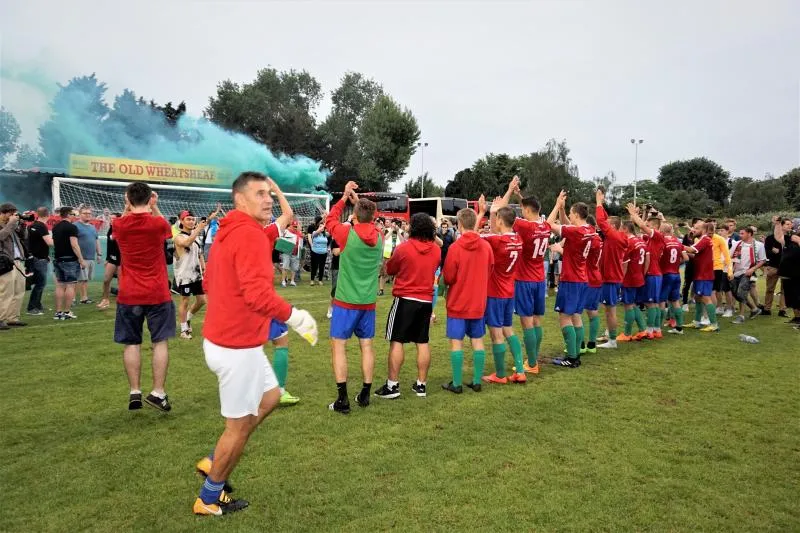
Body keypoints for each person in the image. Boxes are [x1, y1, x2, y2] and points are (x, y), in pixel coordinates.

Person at [193, 172, 317, 516]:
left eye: (270, 194)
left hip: (234, 341)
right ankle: (209, 497)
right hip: (236, 347)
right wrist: (296, 317)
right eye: (260, 194)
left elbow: (220, 280)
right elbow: (257, 294)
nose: (268, 200)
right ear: (239, 200)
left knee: (271, 397)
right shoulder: (246, 234)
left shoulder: (238, 230)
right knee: (238, 428)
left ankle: (213, 461)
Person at [112, 184, 176, 411]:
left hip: (129, 293)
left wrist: (128, 205)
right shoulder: (157, 223)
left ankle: (135, 391)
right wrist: (154, 207)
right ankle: (158, 391)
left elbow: (124, 219)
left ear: (128, 199)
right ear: (150, 199)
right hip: (157, 291)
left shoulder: (118, 223)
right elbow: (168, 232)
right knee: (160, 342)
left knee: (131, 343)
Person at [325, 181, 383, 414]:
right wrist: (357, 201)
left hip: (346, 302)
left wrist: (344, 198)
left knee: (339, 347)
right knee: (366, 346)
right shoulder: (379, 236)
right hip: (367, 303)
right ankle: (366, 394)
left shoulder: (346, 233)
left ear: (356, 215)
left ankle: (343, 399)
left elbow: (331, 219)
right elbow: (368, 218)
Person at [374, 213, 440, 399]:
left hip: (405, 299)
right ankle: (421, 385)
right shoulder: (435, 250)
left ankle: (392, 385)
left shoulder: (404, 248)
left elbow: (390, 269)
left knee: (397, 340)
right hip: (426, 301)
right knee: (423, 342)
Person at [492, 176, 550, 373]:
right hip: (540, 278)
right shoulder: (545, 226)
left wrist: (509, 191)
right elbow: (530, 209)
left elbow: (504, 215)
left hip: (524, 279)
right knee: (536, 321)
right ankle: (533, 358)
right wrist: (520, 196)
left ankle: (532, 363)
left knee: (526, 322)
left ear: (526, 211)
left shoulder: (525, 226)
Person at [442, 203, 494, 393]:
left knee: (456, 342)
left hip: (458, 302)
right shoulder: (486, 247)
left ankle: (456, 383)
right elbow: (490, 270)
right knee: (477, 340)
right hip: (478, 301)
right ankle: (476, 380)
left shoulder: (455, 248)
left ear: (460, 225)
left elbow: (448, 276)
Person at [479, 197, 525, 384]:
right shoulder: (518, 239)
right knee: (509, 330)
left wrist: (487, 212)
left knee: (496, 333)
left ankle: (499, 375)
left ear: (499, 220)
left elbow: (470, 235)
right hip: (509, 291)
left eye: (496, 218)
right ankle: (520, 370)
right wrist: (494, 214)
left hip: (495, 293)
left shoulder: (497, 240)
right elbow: (494, 235)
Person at [547, 190, 596, 368]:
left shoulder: (576, 231)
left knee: (565, 317)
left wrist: (557, 206)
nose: (568, 216)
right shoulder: (589, 229)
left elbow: (549, 225)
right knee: (576, 316)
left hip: (571, 279)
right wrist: (562, 208)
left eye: (569, 214)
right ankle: (575, 353)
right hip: (582, 278)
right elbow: (569, 228)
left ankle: (572, 356)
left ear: (576, 215)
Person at [595, 188, 629, 349]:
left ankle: (612, 340)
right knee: (609, 308)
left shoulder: (614, 236)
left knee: (610, 310)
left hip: (610, 277)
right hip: (612, 277)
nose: (604, 227)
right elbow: (605, 220)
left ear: (613, 227)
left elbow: (602, 222)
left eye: (608, 225)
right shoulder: (618, 236)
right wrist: (603, 205)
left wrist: (599, 203)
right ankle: (610, 334)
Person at [626, 203, 665, 339]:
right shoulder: (649, 238)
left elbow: (642, 226)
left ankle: (650, 330)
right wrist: (634, 217)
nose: (646, 228)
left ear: (654, 227)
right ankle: (656, 329)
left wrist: (634, 214)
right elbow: (635, 231)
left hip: (652, 273)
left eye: (649, 226)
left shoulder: (658, 236)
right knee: (653, 302)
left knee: (651, 303)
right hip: (654, 273)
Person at [174, 210, 210, 340]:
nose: (191, 221)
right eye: (188, 219)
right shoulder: (178, 237)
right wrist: (198, 229)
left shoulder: (196, 237)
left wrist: (204, 268)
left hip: (196, 274)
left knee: (202, 300)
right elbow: (186, 243)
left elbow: (199, 253)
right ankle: (184, 330)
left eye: (192, 219)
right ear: (182, 221)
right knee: (185, 301)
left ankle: (188, 318)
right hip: (184, 275)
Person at [684, 222, 721, 332]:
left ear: (704, 230)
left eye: (696, 228)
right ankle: (697, 322)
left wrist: (676, 245)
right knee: (697, 297)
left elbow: (691, 250)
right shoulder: (703, 240)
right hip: (700, 274)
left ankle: (714, 324)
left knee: (706, 298)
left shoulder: (705, 239)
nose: (693, 230)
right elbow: (695, 255)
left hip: (704, 275)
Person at [52, 206, 86, 320]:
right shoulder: (72, 227)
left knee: (60, 285)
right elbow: (74, 244)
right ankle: (66, 312)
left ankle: (58, 312)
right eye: (73, 214)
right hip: (70, 259)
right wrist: (81, 259)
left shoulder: (55, 227)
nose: (75, 217)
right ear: (68, 215)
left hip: (58, 258)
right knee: (70, 285)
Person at [729, 227, 766, 323]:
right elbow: (730, 257)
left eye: (742, 233)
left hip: (749, 273)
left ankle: (741, 316)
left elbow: (762, 260)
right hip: (736, 272)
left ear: (749, 234)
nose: (740, 235)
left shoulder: (759, 245)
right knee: (735, 293)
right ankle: (754, 309)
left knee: (742, 292)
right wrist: (730, 271)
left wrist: (753, 269)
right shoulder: (737, 244)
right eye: (740, 233)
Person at [0, 203, 28, 330]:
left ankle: (13, 318)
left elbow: (24, 237)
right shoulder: (5, 225)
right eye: (11, 214)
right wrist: (11, 224)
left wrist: (22, 224)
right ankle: (1, 318)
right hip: (5, 262)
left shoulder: (12, 225)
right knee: (6, 292)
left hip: (18, 261)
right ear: (4, 213)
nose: (13, 216)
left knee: (19, 291)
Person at [580, 215, 603, 352]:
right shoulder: (599, 239)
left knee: (578, 312)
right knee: (592, 312)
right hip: (595, 276)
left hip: (588, 277)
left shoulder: (591, 239)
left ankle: (582, 344)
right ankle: (591, 344)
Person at [659, 223, 688, 334]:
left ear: (662, 231)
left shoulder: (663, 242)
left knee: (661, 301)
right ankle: (679, 327)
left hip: (666, 274)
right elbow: (685, 258)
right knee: (675, 301)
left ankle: (658, 328)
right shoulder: (677, 242)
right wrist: (675, 263)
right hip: (676, 274)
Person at [772, 217, 800, 325]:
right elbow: (778, 236)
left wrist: (798, 241)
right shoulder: (790, 239)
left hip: (798, 274)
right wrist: (778, 224)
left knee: (798, 295)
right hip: (788, 273)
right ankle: (797, 317)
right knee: (791, 296)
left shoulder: (796, 239)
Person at [26, 207, 53, 316]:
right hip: (39, 259)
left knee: (39, 283)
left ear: (37, 214)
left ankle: (37, 304)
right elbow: (49, 242)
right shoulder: (42, 226)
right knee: (40, 284)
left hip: (35, 257)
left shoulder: (32, 225)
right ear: (48, 215)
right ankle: (32, 307)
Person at [763, 217, 792, 316]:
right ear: (781, 226)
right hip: (773, 266)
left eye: (790, 224)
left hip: (786, 267)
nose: (790, 226)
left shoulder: (791, 238)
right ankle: (767, 309)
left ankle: (782, 310)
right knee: (770, 288)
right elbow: (766, 252)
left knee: (785, 289)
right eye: (787, 224)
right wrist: (772, 251)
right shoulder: (770, 238)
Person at [75, 205, 102, 304]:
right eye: (85, 213)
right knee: (81, 279)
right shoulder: (75, 226)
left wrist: (99, 254)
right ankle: (78, 298)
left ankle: (82, 297)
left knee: (85, 279)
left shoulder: (92, 227)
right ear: (80, 214)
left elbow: (96, 240)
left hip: (91, 257)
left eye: (89, 213)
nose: (88, 215)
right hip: (81, 258)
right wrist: (79, 257)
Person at [97, 212, 122, 310]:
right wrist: (107, 258)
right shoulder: (110, 229)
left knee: (122, 282)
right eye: (110, 219)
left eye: (113, 219)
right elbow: (109, 245)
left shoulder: (122, 229)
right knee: (106, 280)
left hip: (122, 260)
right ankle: (105, 300)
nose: (111, 220)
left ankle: (123, 302)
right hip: (112, 259)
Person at [711, 223, 734, 317]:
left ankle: (729, 308)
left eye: (722, 230)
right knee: (717, 289)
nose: (720, 232)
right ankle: (719, 307)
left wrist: (729, 269)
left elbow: (731, 255)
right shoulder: (715, 240)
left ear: (728, 232)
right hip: (717, 268)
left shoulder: (731, 242)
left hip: (726, 268)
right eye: (719, 230)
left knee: (727, 289)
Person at [379, 219, 403, 296]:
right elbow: (385, 238)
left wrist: (398, 231)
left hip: (397, 254)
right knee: (384, 273)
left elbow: (403, 241)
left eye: (395, 224)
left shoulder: (401, 231)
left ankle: (395, 289)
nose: (394, 225)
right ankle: (381, 290)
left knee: (397, 274)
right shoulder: (387, 230)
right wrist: (392, 230)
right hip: (387, 254)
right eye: (393, 224)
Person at [280, 219, 303, 287]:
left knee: (294, 268)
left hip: (295, 252)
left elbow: (301, 242)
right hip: (287, 252)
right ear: (291, 226)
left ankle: (292, 281)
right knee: (285, 267)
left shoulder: (299, 233)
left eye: (296, 226)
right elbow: (282, 240)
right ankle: (283, 281)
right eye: (294, 226)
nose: (295, 228)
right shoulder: (286, 232)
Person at [308, 218, 329, 286]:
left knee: (322, 267)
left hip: (324, 253)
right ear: (317, 227)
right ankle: (312, 280)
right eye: (320, 226)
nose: (321, 228)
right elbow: (318, 231)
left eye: (322, 227)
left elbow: (332, 232)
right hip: (315, 252)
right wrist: (324, 225)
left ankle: (320, 280)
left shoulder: (325, 234)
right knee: (314, 266)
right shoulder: (314, 233)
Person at [327, 236, 341, 319]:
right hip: (337, 267)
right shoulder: (335, 240)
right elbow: (336, 252)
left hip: (348, 267)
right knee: (335, 289)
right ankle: (330, 308)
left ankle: (341, 309)